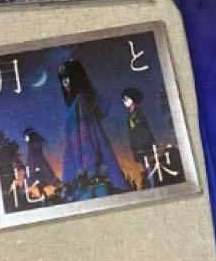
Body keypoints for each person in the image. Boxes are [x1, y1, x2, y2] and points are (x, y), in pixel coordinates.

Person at [57, 58, 128, 199]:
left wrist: (86, 169)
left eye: (67, 77)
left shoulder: (81, 101)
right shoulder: (78, 103)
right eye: (62, 79)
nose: (65, 83)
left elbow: (86, 137)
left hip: (87, 168)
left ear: (76, 77)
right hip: (85, 167)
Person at [121, 86, 158, 187]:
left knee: (149, 163)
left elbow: (145, 128)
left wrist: (149, 142)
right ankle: (151, 183)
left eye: (126, 99)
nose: (124, 102)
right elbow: (130, 132)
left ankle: (153, 183)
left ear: (132, 99)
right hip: (136, 144)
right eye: (123, 100)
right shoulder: (128, 116)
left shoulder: (139, 111)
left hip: (144, 142)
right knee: (145, 165)